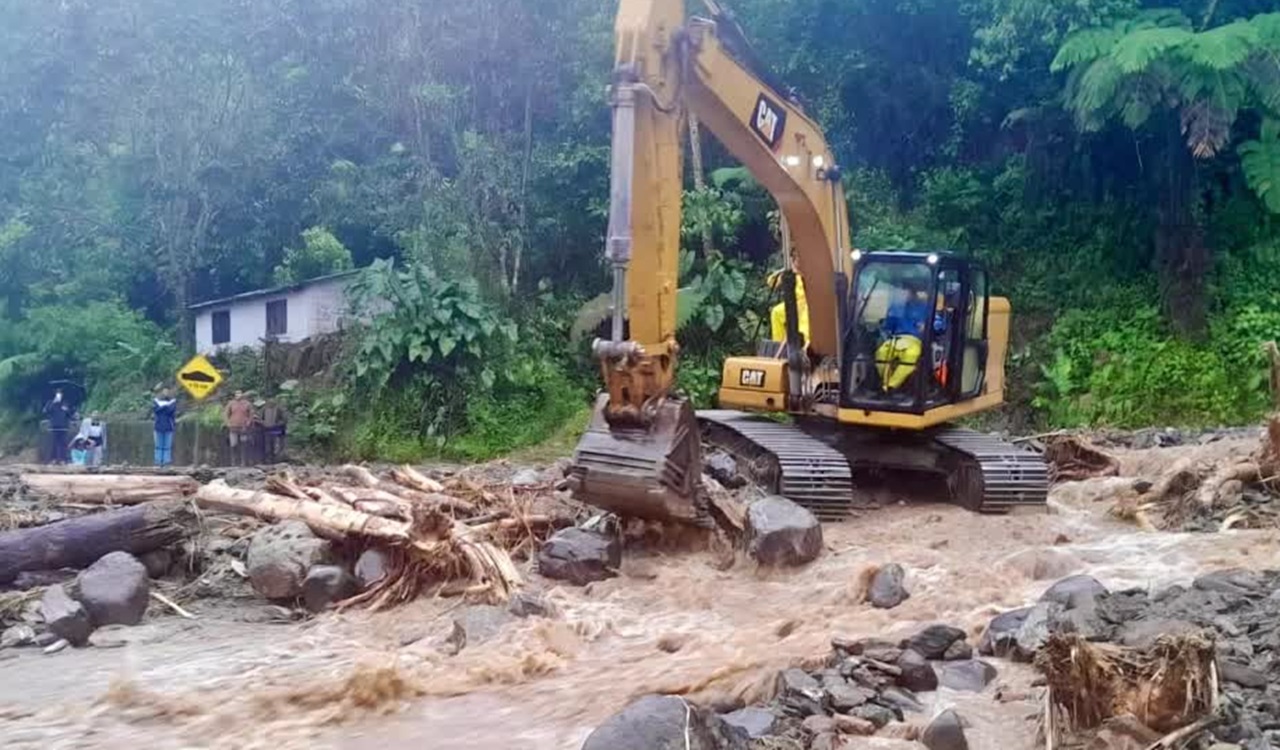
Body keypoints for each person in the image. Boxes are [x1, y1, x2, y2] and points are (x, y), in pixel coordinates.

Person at [223, 391, 254, 466]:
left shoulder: (247, 404)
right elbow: (226, 414)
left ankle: (243, 462)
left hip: (244, 428)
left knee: (243, 444)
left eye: (239, 394)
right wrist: (228, 423)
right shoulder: (231, 403)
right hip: (233, 427)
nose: (238, 395)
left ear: (242, 395)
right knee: (234, 444)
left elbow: (251, 414)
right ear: (234, 395)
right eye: (236, 394)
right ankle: (234, 462)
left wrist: (248, 423)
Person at [43, 389, 73, 465]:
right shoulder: (50, 402)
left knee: (63, 444)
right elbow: (46, 411)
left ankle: (63, 459)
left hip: (64, 426)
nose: (59, 395)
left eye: (60, 393)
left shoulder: (65, 403)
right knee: (53, 443)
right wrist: (53, 403)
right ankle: (53, 459)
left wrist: (67, 410)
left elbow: (70, 414)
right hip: (54, 426)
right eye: (57, 393)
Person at [152, 389, 178, 466]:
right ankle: (160, 462)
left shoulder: (157, 403)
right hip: (163, 427)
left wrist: (162, 408)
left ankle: (163, 462)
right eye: (164, 391)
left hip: (165, 427)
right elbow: (169, 411)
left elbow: (168, 410)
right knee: (161, 446)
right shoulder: (170, 403)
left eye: (167, 391)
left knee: (164, 446)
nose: (165, 393)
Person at [261, 397, 288, 463]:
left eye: (272, 401)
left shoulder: (278, 409)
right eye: (269, 402)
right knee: (268, 447)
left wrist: (276, 424)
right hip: (267, 430)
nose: (270, 403)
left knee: (276, 446)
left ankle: (276, 460)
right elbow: (262, 418)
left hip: (277, 431)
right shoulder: (264, 409)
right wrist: (264, 423)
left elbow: (284, 419)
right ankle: (269, 460)